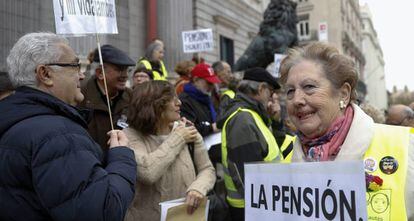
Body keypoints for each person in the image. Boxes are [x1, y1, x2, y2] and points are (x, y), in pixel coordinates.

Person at [0, 32, 137, 220]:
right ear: (45, 74)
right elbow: (104, 212)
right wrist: (121, 158)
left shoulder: (13, 117)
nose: (81, 75)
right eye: (75, 66)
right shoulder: (59, 135)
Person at [279, 42, 414, 220]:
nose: (296, 99)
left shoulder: (404, 146)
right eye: (290, 91)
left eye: (309, 87)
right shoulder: (284, 157)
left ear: (343, 94)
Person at [123, 81, 215, 221]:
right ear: (154, 105)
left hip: (186, 216)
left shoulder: (187, 131)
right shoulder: (128, 136)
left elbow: (207, 169)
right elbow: (148, 172)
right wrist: (178, 137)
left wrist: (198, 188)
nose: (179, 103)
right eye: (172, 99)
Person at [220, 67, 295, 221]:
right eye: (271, 92)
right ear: (261, 89)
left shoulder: (252, 115)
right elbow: (248, 179)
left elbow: (272, 150)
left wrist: (275, 121)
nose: (273, 98)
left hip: (260, 206)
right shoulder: (243, 119)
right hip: (251, 210)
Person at [79, 44, 135, 151]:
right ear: (100, 73)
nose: (125, 76)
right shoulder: (81, 96)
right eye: (119, 70)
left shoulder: (131, 97)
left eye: (127, 70)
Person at [179, 63, 221, 137]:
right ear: (196, 80)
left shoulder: (206, 97)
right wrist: (211, 128)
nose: (212, 87)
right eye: (209, 83)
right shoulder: (184, 101)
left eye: (213, 83)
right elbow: (188, 129)